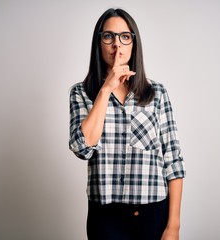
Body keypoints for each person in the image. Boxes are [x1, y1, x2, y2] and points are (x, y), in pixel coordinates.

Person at [69, 8, 185, 240]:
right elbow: (83, 147)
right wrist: (105, 90)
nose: (117, 45)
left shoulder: (157, 93)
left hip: (153, 214)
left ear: (134, 43)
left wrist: (173, 226)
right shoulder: (81, 93)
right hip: (105, 218)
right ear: (99, 42)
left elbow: (173, 160)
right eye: (108, 36)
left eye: (125, 36)